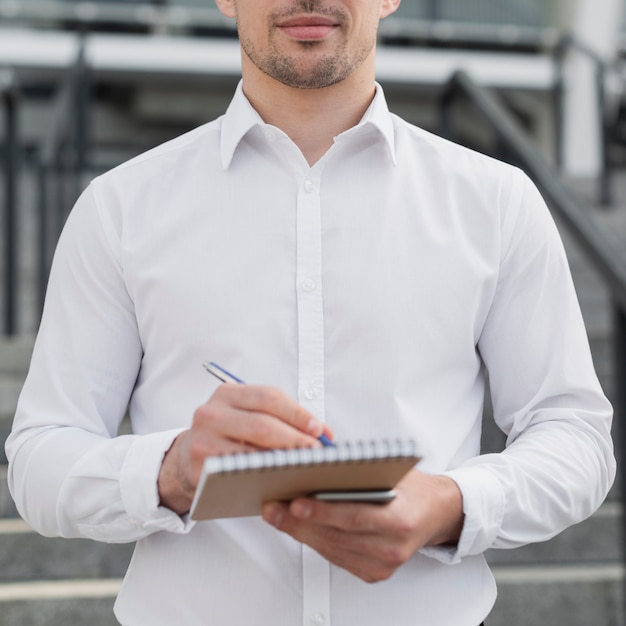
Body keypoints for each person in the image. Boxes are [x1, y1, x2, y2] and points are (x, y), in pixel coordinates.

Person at [6, 0, 616, 624]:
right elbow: (39, 458)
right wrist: (171, 469)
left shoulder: (497, 203)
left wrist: (451, 503)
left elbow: (575, 436)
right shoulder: (119, 208)